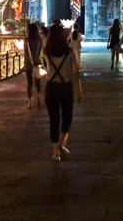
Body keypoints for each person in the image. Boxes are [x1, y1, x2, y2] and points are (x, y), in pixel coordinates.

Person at [41, 23, 83, 161]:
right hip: (66, 87)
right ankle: (62, 143)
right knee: (67, 117)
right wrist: (79, 91)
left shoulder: (46, 51)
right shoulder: (70, 51)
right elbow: (75, 73)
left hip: (51, 87)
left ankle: (55, 151)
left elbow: (44, 66)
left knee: (54, 120)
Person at [24, 22, 44, 108]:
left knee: (29, 82)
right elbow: (41, 50)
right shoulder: (40, 39)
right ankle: (39, 98)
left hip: (28, 64)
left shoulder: (27, 40)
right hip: (37, 62)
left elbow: (26, 52)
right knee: (38, 82)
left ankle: (30, 101)